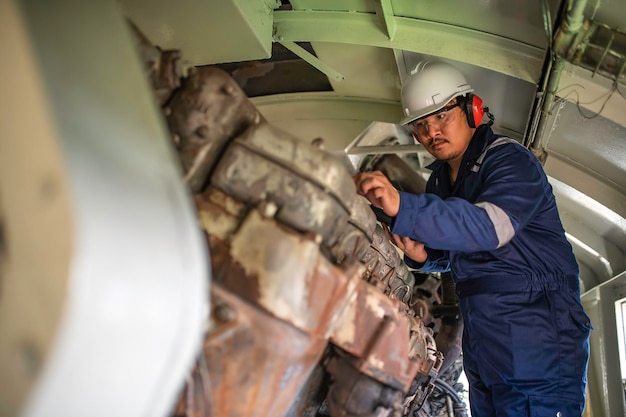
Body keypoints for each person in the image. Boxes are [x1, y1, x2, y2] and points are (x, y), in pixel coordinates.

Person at [354, 60, 591, 416]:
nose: (431, 131)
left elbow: (488, 228)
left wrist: (405, 206)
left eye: (441, 116)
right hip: (483, 336)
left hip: (536, 333)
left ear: (471, 109)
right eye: (420, 124)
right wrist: (422, 256)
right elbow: (456, 252)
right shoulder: (441, 182)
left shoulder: (510, 161)